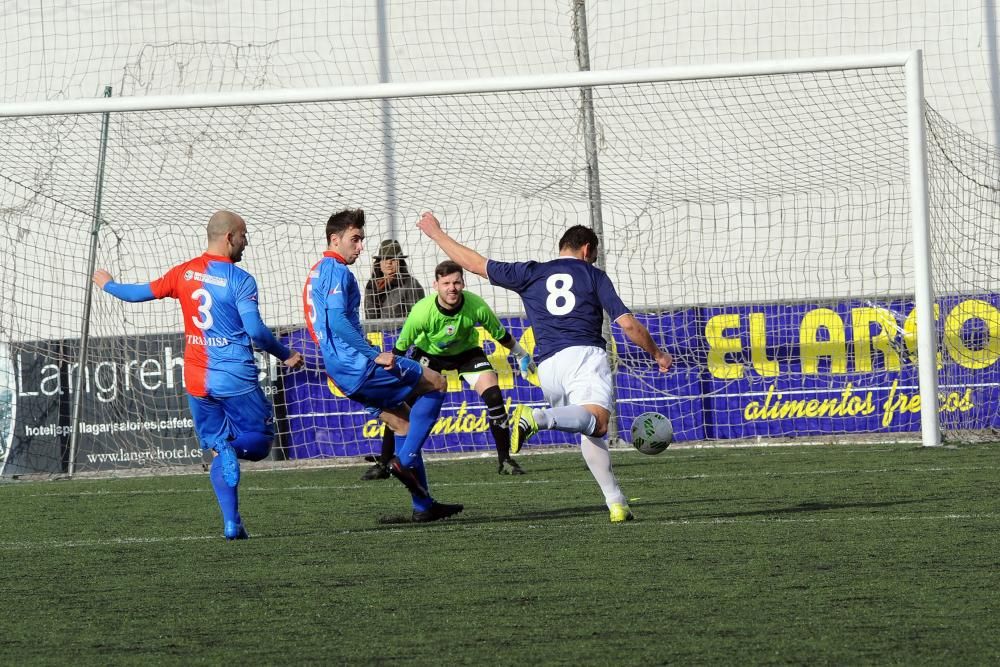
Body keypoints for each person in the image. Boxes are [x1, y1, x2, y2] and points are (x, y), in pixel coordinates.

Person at [417, 212, 672, 523]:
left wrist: (437, 235)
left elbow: (474, 264)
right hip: (584, 357)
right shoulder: (594, 276)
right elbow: (628, 325)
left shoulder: (531, 273)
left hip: (549, 366)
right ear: (587, 250)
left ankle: (616, 502)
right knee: (599, 422)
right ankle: (536, 417)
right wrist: (657, 353)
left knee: (590, 432)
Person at [92, 210, 304, 540]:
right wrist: (286, 353)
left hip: (196, 379)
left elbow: (137, 294)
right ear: (230, 236)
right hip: (234, 378)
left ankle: (232, 523)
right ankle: (231, 460)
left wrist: (107, 284)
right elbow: (258, 333)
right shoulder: (240, 280)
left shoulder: (185, 272)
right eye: (244, 235)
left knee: (220, 447)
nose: (246, 241)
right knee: (260, 444)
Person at [304, 208, 463, 522]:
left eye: (361, 239)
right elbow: (336, 320)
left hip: (340, 370)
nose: (360, 246)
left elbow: (320, 323)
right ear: (334, 239)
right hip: (358, 365)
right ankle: (401, 460)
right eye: (355, 239)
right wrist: (371, 353)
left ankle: (423, 507)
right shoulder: (337, 271)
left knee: (403, 424)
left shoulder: (317, 271)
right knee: (436, 382)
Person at [360, 259, 537, 481]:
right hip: (429, 355)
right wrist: (390, 380)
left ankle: (505, 460)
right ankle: (384, 463)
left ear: (463, 284)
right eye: (446, 283)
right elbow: (399, 350)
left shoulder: (476, 306)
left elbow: (501, 336)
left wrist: (521, 353)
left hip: (467, 354)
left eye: (456, 282)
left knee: (494, 394)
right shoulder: (422, 311)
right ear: (436, 285)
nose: (451, 288)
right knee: (401, 402)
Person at [363, 239, 425, 320]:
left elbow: (418, 318)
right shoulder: (371, 285)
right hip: (377, 332)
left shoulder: (411, 284)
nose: (389, 262)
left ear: (400, 262)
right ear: (379, 263)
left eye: (393, 259)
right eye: (385, 258)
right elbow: (369, 317)